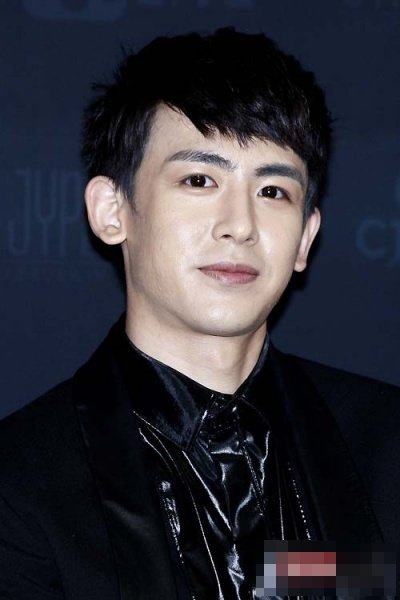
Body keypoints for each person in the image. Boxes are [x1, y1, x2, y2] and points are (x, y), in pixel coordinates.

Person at [0, 27, 398, 599]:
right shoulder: (21, 482)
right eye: (199, 179)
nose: (239, 225)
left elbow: (357, 575)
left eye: (273, 191)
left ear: (306, 237)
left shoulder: (385, 444)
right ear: (112, 210)